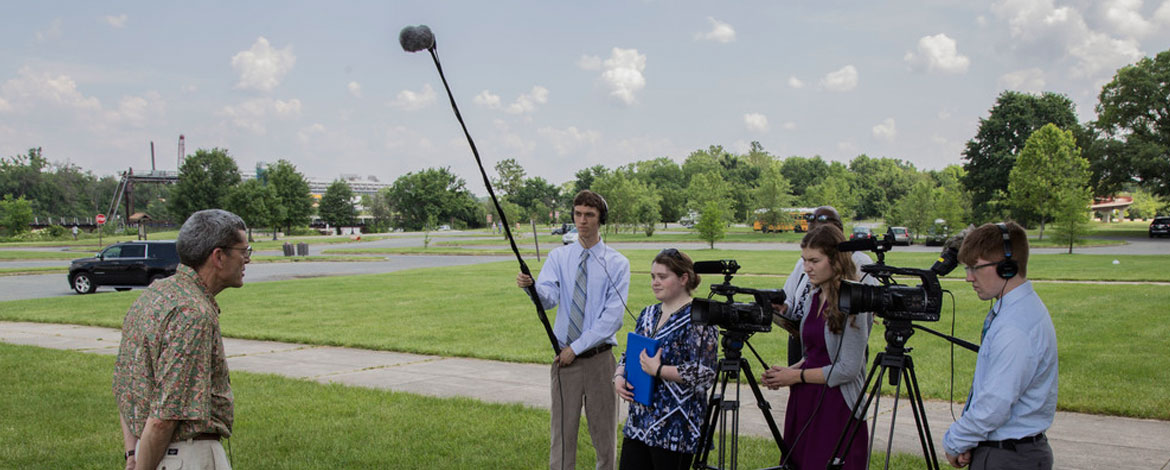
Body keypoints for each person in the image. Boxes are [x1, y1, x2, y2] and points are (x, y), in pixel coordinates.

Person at [112, 209, 251, 470]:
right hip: (187, 457)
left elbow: (127, 388)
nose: (247, 260)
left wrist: (133, 453)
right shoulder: (193, 314)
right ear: (218, 257)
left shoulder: (154, 296)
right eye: (244, 251)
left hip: (151, 451)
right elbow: (164, 417)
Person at [517, 189, 630, 470]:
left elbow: (612, 319)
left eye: (589, 215)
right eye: (578, 214)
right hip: (564, 361)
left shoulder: (618, 263)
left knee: (604, 436)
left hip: (599, 360)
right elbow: (549, 298)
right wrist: (532, 289)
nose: (582, 221)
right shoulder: (559, 257)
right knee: (562, 435)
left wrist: (575, 349)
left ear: (600, 218)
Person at [943, 222, 1057, 469]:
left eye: (975, 268)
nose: (968, 278)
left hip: (1007, 456)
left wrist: (955, 441)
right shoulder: (1018, 310)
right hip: (1009, 450)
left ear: (1007, 268)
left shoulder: (1015, 327)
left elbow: (994, 405)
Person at [761, 224, 872, 469]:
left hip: (836, 406)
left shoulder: (853, 301)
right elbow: (815, 354)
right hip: (805, 400)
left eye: (814, 260)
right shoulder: (814, 296)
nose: (806, 267)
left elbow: (848, 369)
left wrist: (796, 375)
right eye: (804, 260)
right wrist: (785, 374)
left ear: (835, 260)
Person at [613, 248, 718, 469]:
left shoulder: (699, 319)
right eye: (653, 277)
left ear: (683, 278)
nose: (655, 282)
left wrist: (660, 370)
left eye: (662, 277)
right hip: (639, 422)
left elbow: (705, 373)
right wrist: (619, 375)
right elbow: (630, 354)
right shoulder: (648, 313)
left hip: (676, 428)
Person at [775, 206, 874, 365]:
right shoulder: (803, 265)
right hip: (802, 338)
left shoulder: (859, 261)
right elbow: (791, 298)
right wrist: (784, 309)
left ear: (839, 228)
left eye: (822, 220)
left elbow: (866, 308)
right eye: (811, 220)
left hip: (835, 343)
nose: (814, 224)